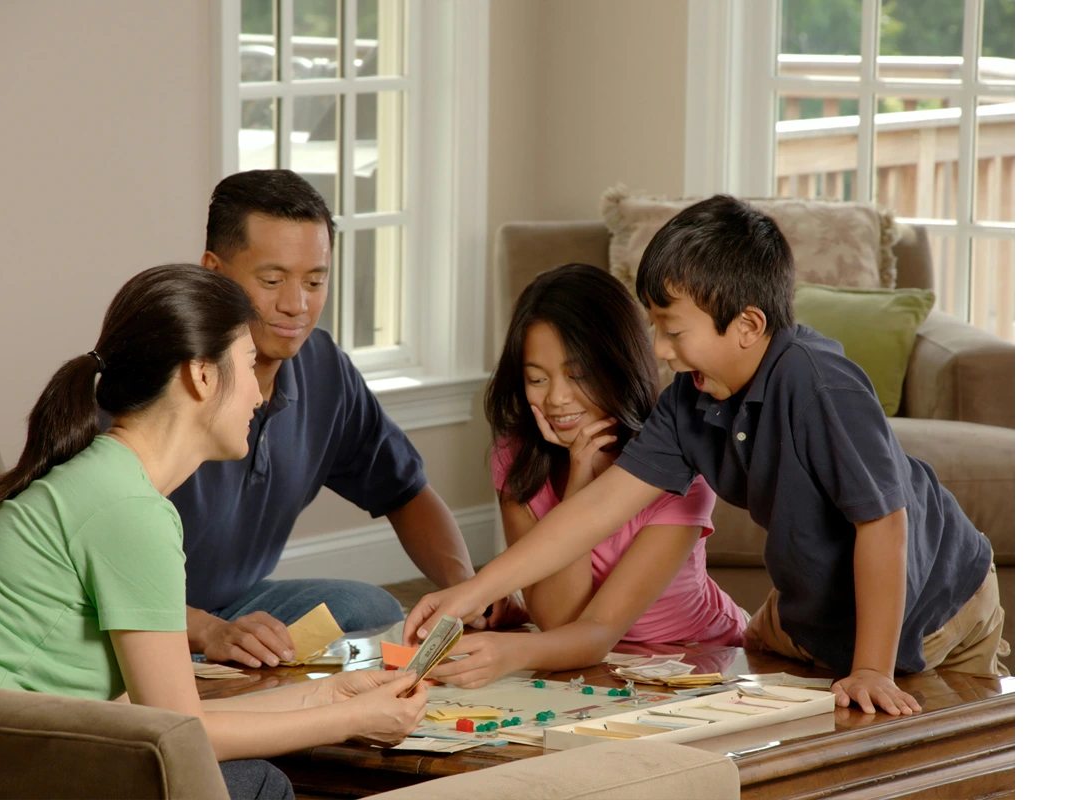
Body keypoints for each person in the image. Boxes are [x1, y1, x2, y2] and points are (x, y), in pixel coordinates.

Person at [405, 196, 1009, 716]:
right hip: (812, 611)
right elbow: (593, 513)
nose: (661, 351)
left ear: (747, 325)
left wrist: (873, 667)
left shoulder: (821, 385)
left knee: (920, 745)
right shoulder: (688, 403)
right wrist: (472, 592)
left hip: (932, 602)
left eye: (673, 330)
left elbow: (883, 523)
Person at [0, 265, 428, 800]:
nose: (260, 397)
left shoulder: (102, 479)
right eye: (250, 364)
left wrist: (333, 696)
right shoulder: (129, 510)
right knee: (256, 783)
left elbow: (158, 714)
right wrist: (351, 721)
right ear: (203, 375)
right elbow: (179, 733)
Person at [157, 170, 524, 670]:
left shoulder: (323, 369)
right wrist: (205, 630)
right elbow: (90, 579)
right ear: (214, 273)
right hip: (144, 618)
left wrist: (466, 588)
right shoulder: (160, 383)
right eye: (272, 280)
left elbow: (405, 491)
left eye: (315, 280)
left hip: (235, 603)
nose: (297, 305)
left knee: (367, 606)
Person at [429, 264, 745, 689]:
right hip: (586, 663)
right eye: (537, 379)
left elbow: (596, 629)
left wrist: (511, 650)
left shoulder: (679, 465)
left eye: (577, 376)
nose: (557, 399)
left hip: (695, 656)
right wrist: (579, 479)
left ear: (619, 364)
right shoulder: (517, 456)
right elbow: (558, 619)